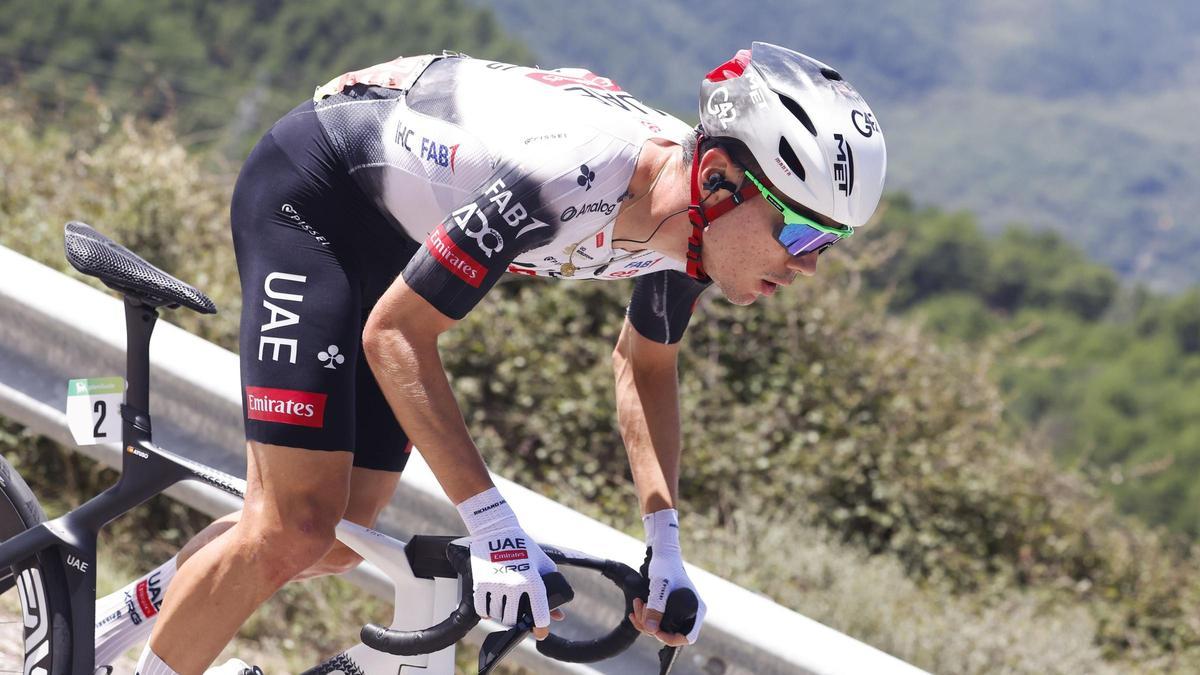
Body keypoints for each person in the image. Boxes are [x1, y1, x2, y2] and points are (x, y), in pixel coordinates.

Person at [120, 42, 886, 674]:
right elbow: (396, 338)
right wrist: (494, 526)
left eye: (827, 245)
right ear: (719, 181)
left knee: (336, 536)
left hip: (401, 228)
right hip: (314, 192)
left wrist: (667, 547)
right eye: (798, 234)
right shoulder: (567, 174)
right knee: (295, 524)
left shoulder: (688, 239)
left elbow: (643, 365)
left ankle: (114, 623)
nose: (808, 265)